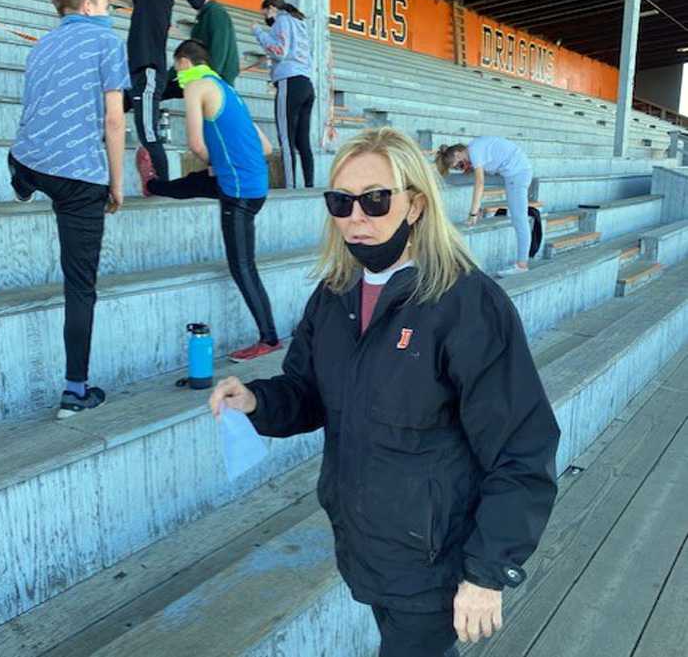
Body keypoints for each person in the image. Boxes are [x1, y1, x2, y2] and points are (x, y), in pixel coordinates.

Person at [209, 127, 560, 657]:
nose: (356, 217)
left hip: (435, 559)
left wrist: (487, 572)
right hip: (364, 544)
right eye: (341, 201)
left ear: (415, 204)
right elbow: (308, 391)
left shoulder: (467, 302)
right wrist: (257, 401)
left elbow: (521, 446)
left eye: (375, 200)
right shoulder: (333, 295)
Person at [8, 0, 128, 418]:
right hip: (80, 178)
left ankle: (21, 179)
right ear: (88, 6)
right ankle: (74, 391)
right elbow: (114, 120)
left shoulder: (40, 46)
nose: (110, 12)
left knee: (26, 163)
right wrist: (117, 183)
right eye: (107, 5)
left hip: (32, 158)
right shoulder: (108, 42)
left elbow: (31, 107)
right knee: (80, 287)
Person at [137, 39, 281, 362]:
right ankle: (153, 185)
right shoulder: (228, 89)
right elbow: (267, 148)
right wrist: (223, 165)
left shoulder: (195, 86)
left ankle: (269, 338)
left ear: (183, 63)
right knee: (195, 183)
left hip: (238, 192)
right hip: (255, 184)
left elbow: (195, 144)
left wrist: (218, 164)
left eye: (176, 68)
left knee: (242, 267)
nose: (176, 75)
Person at [107, 0, 176, 181]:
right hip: (133, 72)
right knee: (108, 115)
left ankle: (165, 188)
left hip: (148, 70)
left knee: (148, 133)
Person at [435, 137, 533, 277]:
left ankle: (522, 265)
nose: (461, 168)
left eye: (459, 165)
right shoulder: (475, 148)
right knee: (518, 217)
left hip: (517, 173)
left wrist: (473, 213)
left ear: (458, 154)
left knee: (519, 219)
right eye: (457, 168)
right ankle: (522, 264)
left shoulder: (474, 151)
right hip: (516, 170)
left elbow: (480, 184)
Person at [252, 0, 314, 189]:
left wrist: (259, 32)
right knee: (303, 140)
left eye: (265, 14)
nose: (266, 18)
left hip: (290, 82)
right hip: (306, 82)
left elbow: (280, 51)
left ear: (271, 8)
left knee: (286, 138)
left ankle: (290, 187)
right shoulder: (299, 23)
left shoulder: (282, 20)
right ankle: (310, 185)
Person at [162, 0, 240, 100]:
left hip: (216, 81)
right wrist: (166, 77)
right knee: (162, 89)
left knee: (162, 90)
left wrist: (209, 80)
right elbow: (189, 53)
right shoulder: (201, 18)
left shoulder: (216, 13)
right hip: (202, 76)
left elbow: (219, 52)